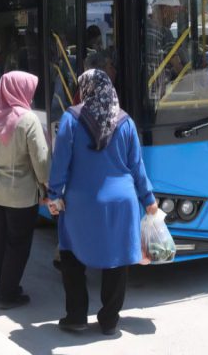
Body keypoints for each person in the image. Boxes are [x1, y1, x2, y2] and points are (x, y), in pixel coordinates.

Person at [48, 69, 158, 336]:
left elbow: (60, 162)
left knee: (71, 255)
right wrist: (149, 200)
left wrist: (54, 194)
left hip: (81, 202)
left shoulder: (71, 119)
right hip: (123, 202)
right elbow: (137, 167)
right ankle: (109, 320)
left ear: (85, 89)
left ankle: (76, 316)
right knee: (118, 259)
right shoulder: (126, 122)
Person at [0, 71, 50, 309]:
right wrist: (46, 185)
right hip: (20, 194)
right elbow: (41, 160)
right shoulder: (28, 120)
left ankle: (5, 284)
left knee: (2, 239)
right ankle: (9, 293)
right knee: (18, 244)